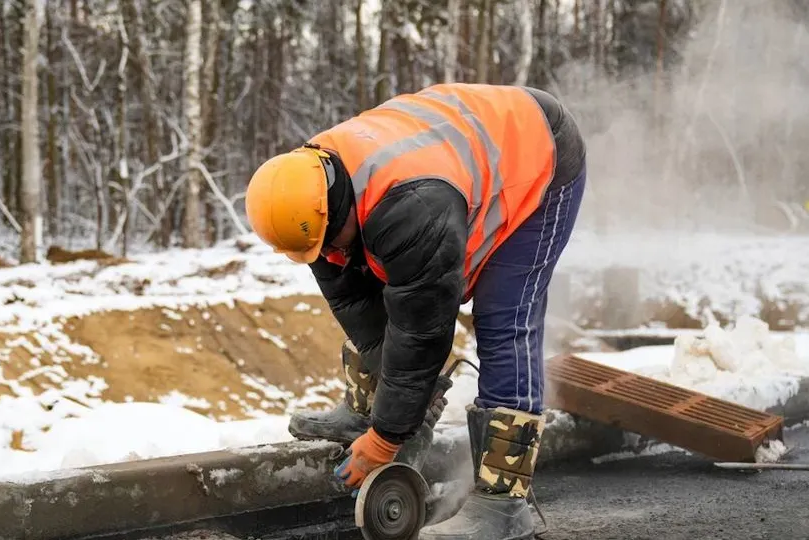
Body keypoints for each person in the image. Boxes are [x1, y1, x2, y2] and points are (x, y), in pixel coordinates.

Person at [244, 82, 586, 539]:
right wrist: (397, 415)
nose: (325, 255)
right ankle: (371, 408)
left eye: (327, 242)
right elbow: (358, 306)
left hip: (539, 156)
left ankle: (504, 503)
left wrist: (386, 440)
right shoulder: (306, 191)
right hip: (457, 156)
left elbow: (423, 329)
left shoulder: (412, 208)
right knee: (367, 277)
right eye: (315, 250)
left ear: (335, 209)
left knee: (504, 319)